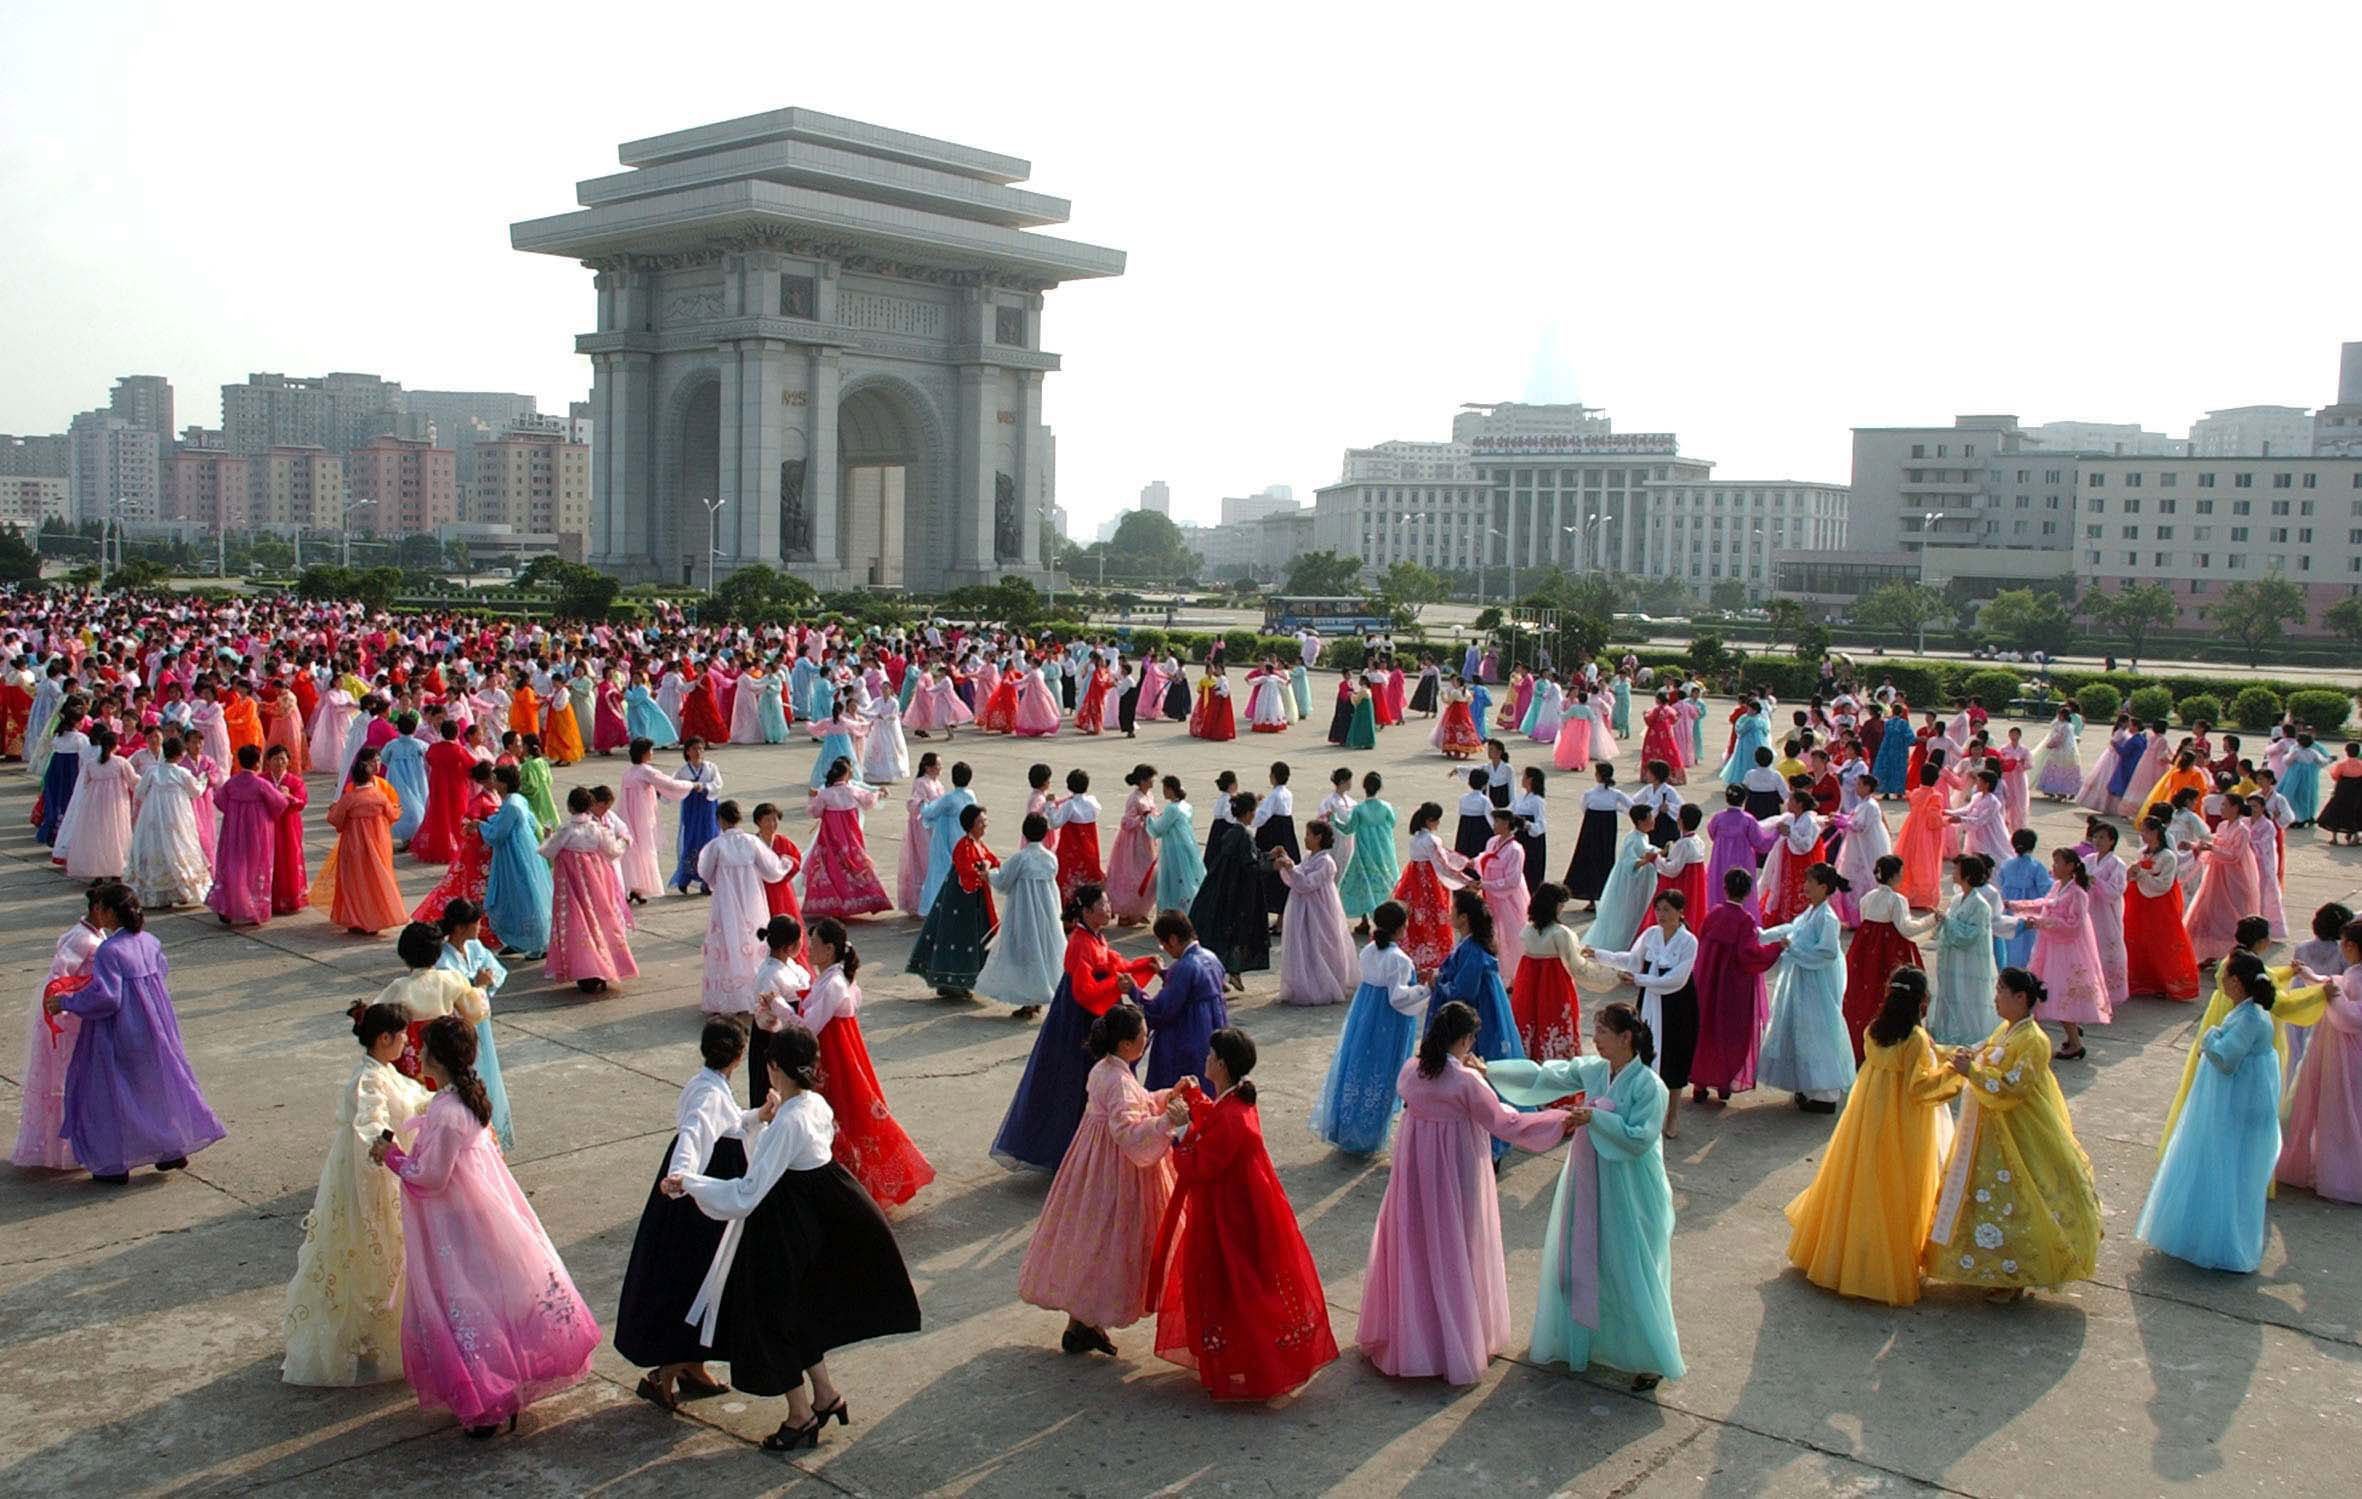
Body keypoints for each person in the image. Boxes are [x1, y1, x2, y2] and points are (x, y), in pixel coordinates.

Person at [662, 1022, 920, 1453]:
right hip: (819, 1214)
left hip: (787, 1225)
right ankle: (823, 1395)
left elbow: (746, 1194)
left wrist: (690, 1182)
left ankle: (800, 1416)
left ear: (774, 1066)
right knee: (799, 1310)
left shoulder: (790, 1120)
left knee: (771, 1316)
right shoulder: (814, 1105)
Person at [369, 1016, 599, 1436]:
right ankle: (504, 1389)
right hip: (484, 1209)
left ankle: (486, 1396)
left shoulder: (447, 1111)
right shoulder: (466, 1101)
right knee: (496, 1294)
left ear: (437, 1058)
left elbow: (430, 1175)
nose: (416, 1054)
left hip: (456, 1221)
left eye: (423, 1049)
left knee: (466, 1300)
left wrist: (391, 1155)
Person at [1357, 1002, 1576, 1383]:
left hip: (1414, 1170)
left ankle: (1412, 1338)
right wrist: (1557, 1120)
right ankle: (1454, 1341)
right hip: (1455, 1168)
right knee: (1458, 1245)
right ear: (1463, 1039)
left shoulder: (1412, 1070)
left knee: (1416, 1245)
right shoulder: (1465, 1081)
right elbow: (1506, 1122)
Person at [1487, 1005, 1684, 1391]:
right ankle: (1589, 1343)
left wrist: (1597, 1119)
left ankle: (1650, 1358)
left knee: (1633, 1268)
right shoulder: (1595, 1070)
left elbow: (1641, 1137)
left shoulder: (1649, 1085)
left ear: (1626, 1038)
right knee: (1583, 1261)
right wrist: (1491, 1072)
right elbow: (1547, 1075)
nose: (1596, 1037)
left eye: (1603, 1030)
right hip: (1590, 1179)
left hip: (1632, 1189)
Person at [1149, 1028, 1339, 1400]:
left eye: (1209, 1055)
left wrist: (1184, 1128)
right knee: (1238, 1284)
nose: (1204, 1060)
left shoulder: (1236, 1116)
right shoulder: (1234, 1105)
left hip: (1231, 1218)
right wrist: (1194, 1101)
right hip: (1234, 1209)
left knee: (1238, 1284)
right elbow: (1213, 1123)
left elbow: (1200, 1163)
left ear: (1220, 1064)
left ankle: (1252, 1362)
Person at [1781, 969, 1961, 1306]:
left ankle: (1845, 1254)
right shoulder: (1916, 1040)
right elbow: (1920, 1087)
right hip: (1902, 1122)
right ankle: (1884, 1262)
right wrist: (1955, 1072)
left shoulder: (1874, 1031)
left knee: (1859, 1181)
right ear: (1921, 1002)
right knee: (1896, 1188)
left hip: (1865, 1117)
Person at [1921, 967, 2103, 1300]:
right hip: (1992, 1133)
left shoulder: (2034, 1040)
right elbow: (1976, 1053)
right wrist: (1941, 1051)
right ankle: (1995, 1271)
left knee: (2021, 1197)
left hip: (2022, 1134)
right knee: (1994, 1198)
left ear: (2021, 998)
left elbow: (2013, 1088)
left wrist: (1971, 1072)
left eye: (2001, 991)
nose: (1995, 997)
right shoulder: (2006, 1031)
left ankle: (2014, 1276)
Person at [1017, 1003, 1183, 1357]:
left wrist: (1167, 1095)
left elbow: (1133, 1106)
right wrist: (1168, 1120)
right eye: (1141, 1034)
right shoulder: (1121, 1081)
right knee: (1113, 1242)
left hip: (1090, 1165)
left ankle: (1081, 1323)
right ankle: (1088, 1320)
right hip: (1115, 1170)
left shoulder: (1103, 1069)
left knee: (1090, 1239)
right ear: (1127, 1044)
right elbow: (1128, 1130)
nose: (1145, 1038)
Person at [281, 1000, 433, 1386]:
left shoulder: (384, 1071)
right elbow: (372, 1120)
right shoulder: (369, 1079)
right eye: (401, 1036)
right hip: (370, 1179)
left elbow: (411, 1100)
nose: (405, 1043)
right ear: (385, 1038)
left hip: (380, 1172)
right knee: (372, 1248)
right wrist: (388, 1147)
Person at [45, 882, 226, 1183]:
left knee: (107, 1095)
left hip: (117, 1032)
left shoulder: (109, 951)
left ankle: (114, 1163)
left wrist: (66, 1001)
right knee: (154, 1088)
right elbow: (161, 972)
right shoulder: (150, 942)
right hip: (155, 1027)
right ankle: (170, 1148)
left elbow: (107, 998)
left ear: (110, 913)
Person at [993, 885, 1162, 1171]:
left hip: (1092, 1016)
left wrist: (1142, 965)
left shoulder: (1094, 937)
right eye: (1103, 905)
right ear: (1087, 911)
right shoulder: (1079, 944)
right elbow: (1084, 992)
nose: (1108, 909)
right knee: (1074, 1084)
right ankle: (1075, 1151)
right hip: (1078, 1022)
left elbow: (1114, 962)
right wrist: (1118, 983)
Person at [2138, 959, 2283, 1272]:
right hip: (2243, 1102)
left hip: (2236, 1105)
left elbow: (2226, 1058)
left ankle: (2219, 1242)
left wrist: (2209, 1038)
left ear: (2236, 983)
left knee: (2225, 1168)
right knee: (2232, 1169)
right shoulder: (2252, 1013)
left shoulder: (2249, 1018)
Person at [800, 918, 935, 1210]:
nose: (808, 949)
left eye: (813, 944)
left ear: (829, 949)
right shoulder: (834, 978)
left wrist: (779, 1011)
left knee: (844, 1118)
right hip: (839, 1058)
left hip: (837, 1062)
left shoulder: (834, 983)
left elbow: (809, 1026)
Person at [1309, 901, 1432, 1153]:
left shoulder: (1369, 951)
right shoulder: (1399, 959)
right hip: (1387, 1022)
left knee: (1358, 1066)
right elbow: (1397, 997)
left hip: (1365, 1016)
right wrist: (1425, 989)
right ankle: (1369, 1135)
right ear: (1401, 928)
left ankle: (1348, 1126)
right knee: (1382, 1071)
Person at [1587, 890, 1701, 1139]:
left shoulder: (1688, 941)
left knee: (1674, 1058)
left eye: (1667, 910)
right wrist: (1599, 954)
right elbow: (1632, 960)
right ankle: (1647, 1112)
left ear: (1680, 912)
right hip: (1650, 1000)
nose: (1661, 915)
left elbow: (1676, 980)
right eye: (1658, 909)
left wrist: (1639, 979)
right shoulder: (1651, 934)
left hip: (1677, 1005)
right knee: (1646, 1053)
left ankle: (1672, 1115)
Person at [10, 891, 110, 1169]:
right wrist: (64, 1009)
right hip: (70, 1018)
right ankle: (68, 1147)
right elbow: (59, 976)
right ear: (99, 908)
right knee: (67, 1078)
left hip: (80, 1010)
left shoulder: (93, 934)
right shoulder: (82, 938)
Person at [1758, 864, 1855, 1113]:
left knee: (1818, 1032)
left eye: (1810, 883)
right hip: (1803, 981)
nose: (1805, 887)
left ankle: (1825, 1093)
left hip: (1816, 985)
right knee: (1803, 1031)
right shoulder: (1812, 912)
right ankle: (1809, 1086)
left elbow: (1827, 953)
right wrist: (1763, 935)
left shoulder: (1827, 918)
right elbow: (1792, 929)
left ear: (1823, 887)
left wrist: (1792, 949)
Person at [2278, 918, 2362, 1203]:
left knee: (2341, 1115)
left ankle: (2343, 1175)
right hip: (2339, 1053)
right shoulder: (2354, 973)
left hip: (2348, 1058)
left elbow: (2351, 1017)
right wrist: (2312, 976)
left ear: (2350, 946)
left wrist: (2332, 997)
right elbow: (2334, 983)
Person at [2010, 847, 2110, 1062]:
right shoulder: (2058, 886)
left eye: (2058, 863)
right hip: (2051, 945)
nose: (2053, 867)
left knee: (2058, 994)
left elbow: (2074, 925)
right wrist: (2019, 906)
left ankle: (2075, 1043)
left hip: (2066, 951)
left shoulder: (2078, 893)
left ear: (2071, 866)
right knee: (2049, 993)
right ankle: (2068, 1039)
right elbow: (2045, 904)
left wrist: (2041, 922)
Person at [540, 787, 637, 993]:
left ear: (570, 806)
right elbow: (613, 852)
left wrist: (547, 836)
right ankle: (605, 965)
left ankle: (585, 969)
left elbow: (548, 851)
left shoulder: (567, 830)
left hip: (572, 886)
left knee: (578, 923)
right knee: (600, 920)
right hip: (597, 882)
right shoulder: (596, 829)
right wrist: (624, 840)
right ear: (590, 805)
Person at [1841, 855, 1936, 1061]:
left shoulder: (1867, 897)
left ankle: (1857, 1045)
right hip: (1888, 952)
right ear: (1894, 876)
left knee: (1863, 994)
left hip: (1864, 951)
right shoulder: (1896, 899)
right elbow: (1906, 928)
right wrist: (1932, 920)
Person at [974, 812, 1062, 1019]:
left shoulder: (1020, 858)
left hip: (1023, 914)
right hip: (1047, 914)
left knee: (1025, 953)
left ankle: (1029, 1000)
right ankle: (1039, 996)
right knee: (1045, 952)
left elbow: (1003, 881)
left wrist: (988, 873)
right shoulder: (1050, 858)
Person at [1136, 912, 1229, 1092]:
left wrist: (1135, 991)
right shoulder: (1211, 957)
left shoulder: (1183, 967)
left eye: (1164, 945)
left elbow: (1161, 1009)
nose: (1166, 949)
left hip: (1187, 1038)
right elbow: (1198, 987)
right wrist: (1165, 973)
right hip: (1212, 1032)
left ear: (1172, 939)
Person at [1189, 792, 1271, 988]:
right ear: (1249, 813)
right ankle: (1227, 972)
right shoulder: (1243, 835)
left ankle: (1224, 973)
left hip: (1223, 889)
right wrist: (1273, 866)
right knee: (1235, 931)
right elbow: (1251, 864)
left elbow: (1251, 857)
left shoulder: (1232, 832)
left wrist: (1268, 855)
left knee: (1223, 931)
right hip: (1237, 893)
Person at [1274, 820, 1358, 1006]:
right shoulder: (1310, 857)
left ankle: (1323, 984)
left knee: (1321, 944)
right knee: (1305, 945)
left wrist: (1290, 867)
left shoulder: (1326, 862)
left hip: (1318, 910)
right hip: (1303, 909)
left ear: (1319, 838)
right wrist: (1287, 864)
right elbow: (1296, 879)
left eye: (1309, 835)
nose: (1305, 838)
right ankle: (1305, 982)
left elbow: (1306, 884)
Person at [127, 736, 211, 909]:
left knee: (156, 846)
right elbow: (196, 792)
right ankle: (181, 891)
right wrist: (203, 778)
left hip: (152, 817)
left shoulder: (152, 771)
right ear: (181, 754)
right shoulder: (182, 773)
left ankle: (159, 894)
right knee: (178, 848)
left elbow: (140, 792)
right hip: (177, 817)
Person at [479, 765, 553, 960]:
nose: (493, 783)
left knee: (522, 896)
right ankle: (517, 941)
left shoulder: (511, 805)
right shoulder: (518, 799)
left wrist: (481, 825)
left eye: (495, 779)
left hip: (514, 856)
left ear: (503, 783)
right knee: (516, 896)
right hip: (521, 851)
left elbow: (497, 835)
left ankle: (537, 942)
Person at [802, 761, 893, 919]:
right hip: (850, 836)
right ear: (846, 774)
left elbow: (814, 812)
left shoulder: (825, 793)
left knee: (830, 865)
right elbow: (869, 801)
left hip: (830, 836)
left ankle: (832, 902)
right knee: (855, 864)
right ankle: (863, 898)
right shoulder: (852, 790)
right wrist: (878, 793)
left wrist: (812, 798)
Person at [1510, 882, 1584, 1061]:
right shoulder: (1561, 933)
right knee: (1554, 1019)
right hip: (1554, 983)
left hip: (1528, 980)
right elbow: (1575, 963)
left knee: (1529, 1019)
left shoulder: (1527, 929)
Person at [669, 738, 725, 895]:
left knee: (709, 838)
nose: (698, 752)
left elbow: (718, 784)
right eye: (694, 749)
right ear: (687, 751)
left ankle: (708, 881)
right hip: (691, 808)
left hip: (708, 807)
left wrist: (705, 787)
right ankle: (685, 877)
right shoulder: (682, 771)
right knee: (691, 839)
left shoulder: (711, 767)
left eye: (701, 749)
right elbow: (672, 785)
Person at [1145, 775, 1206, 914]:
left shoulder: (1172, 809)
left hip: (1173, 849)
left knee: (1173, 880)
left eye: (1165, 789)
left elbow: (1158, 829)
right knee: (1188, 877)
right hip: (1188, 845)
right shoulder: (1186, 806)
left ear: (1171, 789)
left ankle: (1176, 911)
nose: (1164, 792)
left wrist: (1149, 818)